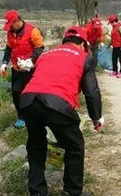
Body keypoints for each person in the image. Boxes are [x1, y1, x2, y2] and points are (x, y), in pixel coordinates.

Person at [20, 26, 104, 196]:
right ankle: (73, 191)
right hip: (57, 103)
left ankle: (37, 192)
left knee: (36, 145)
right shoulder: (84, 57)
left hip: (28, 100)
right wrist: (97, 117)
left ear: (64, 41)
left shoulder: (46, 55)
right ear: (82, 44)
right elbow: (92, 91)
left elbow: (38, 77)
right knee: (75, 146)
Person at [0, 10, 44, 129]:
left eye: (11, 25)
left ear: (17, 21)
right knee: (15, 94)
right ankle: (21, 116)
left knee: (17, 90)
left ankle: (25, 116)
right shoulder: (10, 33)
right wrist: (4, 62)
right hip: (16, 68)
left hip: (29, 68)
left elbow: (39, 47)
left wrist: (30, 60)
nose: (10, 28)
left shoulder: (32, 31)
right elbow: (9, 48)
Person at [107, 14, 121, 78]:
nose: (110, 24)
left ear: (113, 21)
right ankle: (115, 71)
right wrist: (109, 43)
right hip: (115, 46)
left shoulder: (120, 27)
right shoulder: (113, 28)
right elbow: (113, 37)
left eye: (110, 23)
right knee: (114, 59)